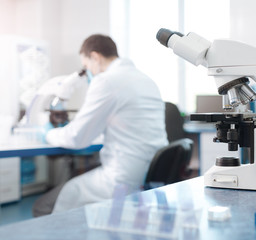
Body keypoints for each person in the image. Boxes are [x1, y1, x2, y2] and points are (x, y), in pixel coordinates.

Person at [33, 34, 168, 215]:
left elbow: (76, 138)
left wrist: (48, 133)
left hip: (122, 178)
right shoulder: (145, 79)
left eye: (87, 66)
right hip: (150, 171)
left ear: (95, 57)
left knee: (43, 207)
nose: (89, 72)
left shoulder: (106, 81)